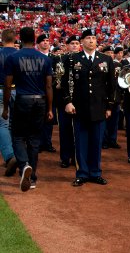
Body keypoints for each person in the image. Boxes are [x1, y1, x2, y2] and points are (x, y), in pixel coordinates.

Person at [61, 29, 115, 187]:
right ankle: (82, 173)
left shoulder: (105, 59)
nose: (91, 40)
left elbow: (111, 85)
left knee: (97, 142)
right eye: (88, 38)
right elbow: (65, 82)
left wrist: (110, 106)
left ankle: (95, 172)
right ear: (82, 41)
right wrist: (68, 102)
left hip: (99, 106)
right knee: (81, 142)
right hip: (79, 107)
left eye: (93, 38)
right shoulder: (72, 59)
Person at [2, 27, 53, 191]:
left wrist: (5, 107)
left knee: (17, 137)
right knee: (34, 139)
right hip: (40, 101)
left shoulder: (14, 57)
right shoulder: (45, 59)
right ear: (34, 38)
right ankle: (32, 178)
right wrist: (50, 108)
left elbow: (8, 85)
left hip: (22, 100)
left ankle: (24, 165)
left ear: (20, 39)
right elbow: (49, 85)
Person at [56, 35, 79, 168]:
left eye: (77, 43)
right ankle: (65, 157)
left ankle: (77, 157)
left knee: (79, 130)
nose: (75, 45)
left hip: (79, 101)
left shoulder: (84, 59)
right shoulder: (61, 59)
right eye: (72, 43)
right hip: (63, 101)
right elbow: (56, 78)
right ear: (67, 46)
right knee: (65, 131)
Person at [0, 29, 18, 176]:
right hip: (20, 91)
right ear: (15, 39)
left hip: (1, 90)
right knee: (15, 124)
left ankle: (10, 156)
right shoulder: (20, 54)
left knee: (2, 124)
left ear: (2, 39)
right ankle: (21, 157)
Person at [36, 33, 57, 153]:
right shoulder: (35, 57)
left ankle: (47, 143)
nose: (45, 42)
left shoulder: (54, 58)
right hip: (37, 91)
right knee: (38, 119)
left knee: (49, 119)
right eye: (43, 40)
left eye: (47, 40)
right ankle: (38, 143)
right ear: (38, 44)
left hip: (51, 92)